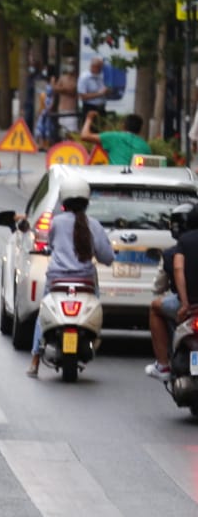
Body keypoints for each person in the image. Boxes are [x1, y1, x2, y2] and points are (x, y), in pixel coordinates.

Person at [27, 177, 112, 378]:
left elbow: (49, 244)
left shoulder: (56, 223)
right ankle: (93, 336)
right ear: (87, 201)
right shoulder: (95, 225)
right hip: (86, 282)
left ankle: (35, 360)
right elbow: (107, 257)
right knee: (96, 303)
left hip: (57, 281)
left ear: (63, 200)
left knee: (42, 315)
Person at [147, 204, 197, 379]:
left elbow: (178, 270)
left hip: (187, 305)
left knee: (155, 307)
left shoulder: (182, 244)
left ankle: (162, 365)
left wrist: (185, 303)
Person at [80, 111, 151, 166]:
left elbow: (84, 136)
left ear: (123, 126)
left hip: (115, 179)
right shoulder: (145, 146)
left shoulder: (114, 137)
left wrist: (89, 118)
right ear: (140, 129)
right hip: (136, 181)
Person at [52, 63, 80, 135]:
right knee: (62, 131)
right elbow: (55, 89)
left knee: (72, 131)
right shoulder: (62, 78)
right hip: (62, 109)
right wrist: (57, 87)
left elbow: (71, 90)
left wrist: (54, 84)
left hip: (71, 109)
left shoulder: (76, 79)